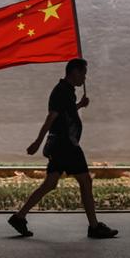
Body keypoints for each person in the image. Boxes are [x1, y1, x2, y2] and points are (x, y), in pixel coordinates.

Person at [8, 58, 118, 239]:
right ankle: (94, 226)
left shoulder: (67, 92)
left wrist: (79, 106)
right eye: (83, 74)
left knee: (50, 183)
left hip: (58, 145)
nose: (84, 78)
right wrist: (37, 142)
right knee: (85, 181)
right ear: (74, 72)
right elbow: (51, 118)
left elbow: (63, 113)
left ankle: (19, 217)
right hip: (66, 145)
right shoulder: (62, 92)